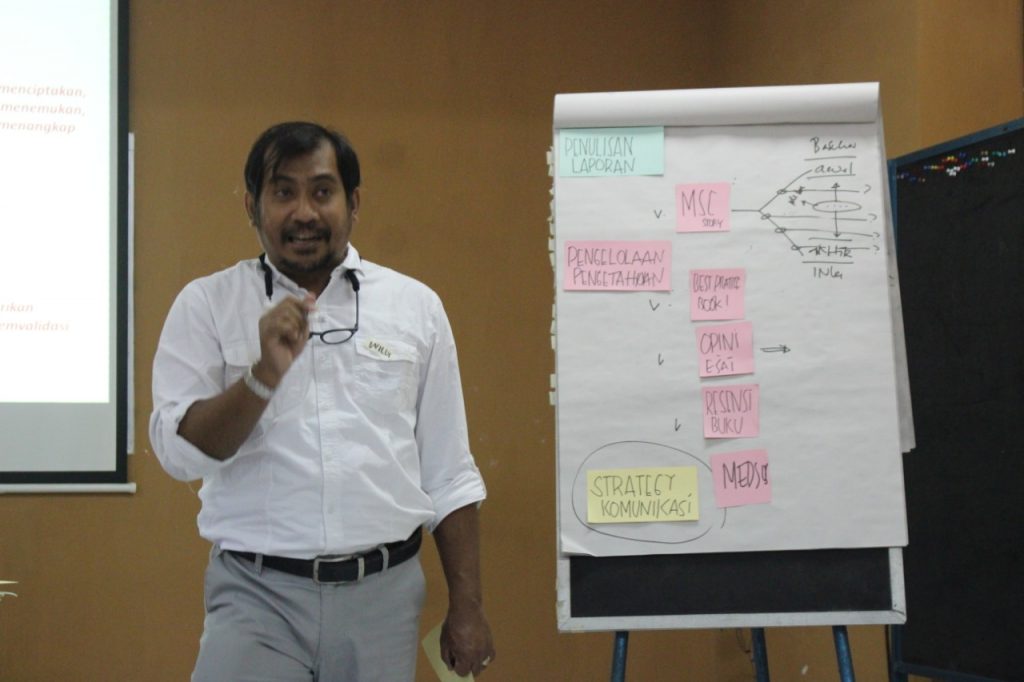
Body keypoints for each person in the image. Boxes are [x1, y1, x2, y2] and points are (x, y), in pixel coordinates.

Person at [150, 121, 495, 681]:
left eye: (322, 191)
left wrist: (468, 606)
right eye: (283, 192)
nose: (304, 212)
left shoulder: (415, 308)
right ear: (251, 206)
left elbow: (449, 472)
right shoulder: (208, 305)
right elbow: (180, 454)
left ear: (353, 203)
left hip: (384, 598)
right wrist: (262, 376)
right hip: (256, 593)